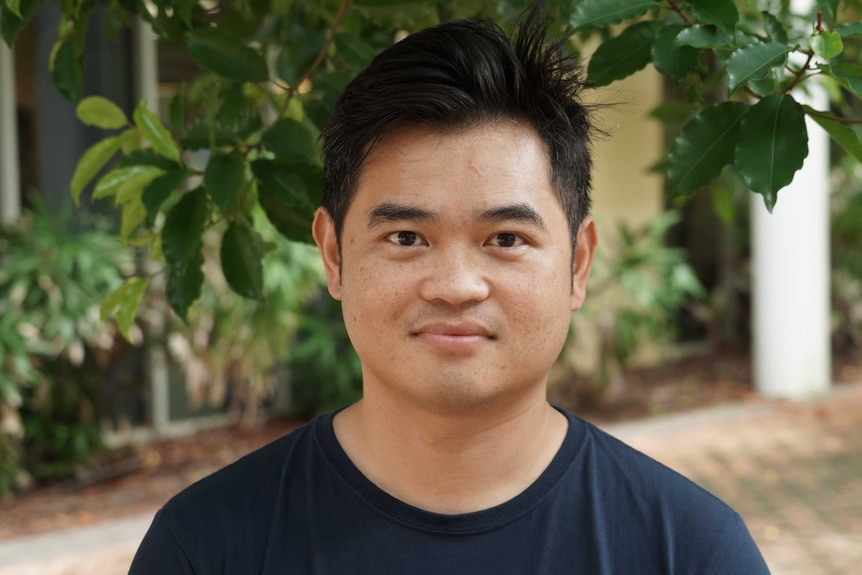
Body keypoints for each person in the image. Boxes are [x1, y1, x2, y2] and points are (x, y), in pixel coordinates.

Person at [128, 6, 770, 574]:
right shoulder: (205, 548)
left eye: (506, 238)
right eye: (406, 237)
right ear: (332, 255)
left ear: (577, 263)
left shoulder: (691, 552)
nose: (457, 286)